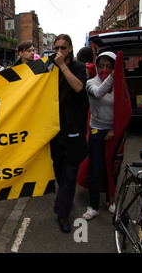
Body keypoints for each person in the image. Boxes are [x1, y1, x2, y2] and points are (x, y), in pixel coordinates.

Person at [49, 34, 89, 233]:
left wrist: (63, 66)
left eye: (63, 48)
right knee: (58, 168)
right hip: (55, 129)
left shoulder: (78, 68)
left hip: (73, 128)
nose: (59, 51)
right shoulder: (50, 68)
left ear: (71, 49)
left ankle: (62, 214)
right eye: (56, 47)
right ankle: (66, 199)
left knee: (69, 172)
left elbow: (78, 87)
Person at [83, 52, 116, 220]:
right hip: (97, 130)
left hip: (114, 132)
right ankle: (93, 205)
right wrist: (112, 76)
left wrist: (115, 129)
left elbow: (124, 107)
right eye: (101, 66)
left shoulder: (119, 84)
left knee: (110, 169)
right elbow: (98, 93)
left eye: (109, 66)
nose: (105, 70)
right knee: (95, 169)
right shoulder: (90, 83)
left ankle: (111, 201)